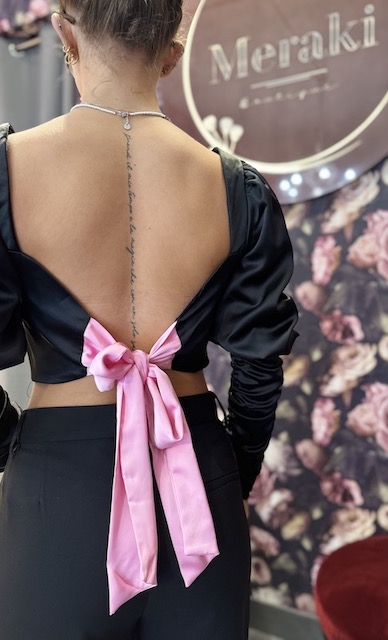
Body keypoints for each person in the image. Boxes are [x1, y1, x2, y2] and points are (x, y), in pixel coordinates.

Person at [0, 1, 298, 638]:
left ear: (64, 33)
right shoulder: (238, 188)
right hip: (198, 481)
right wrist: (226, 475)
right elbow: (258, 369)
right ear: (173, 50)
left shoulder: (6, 171)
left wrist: (16, 449)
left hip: (56, 491)